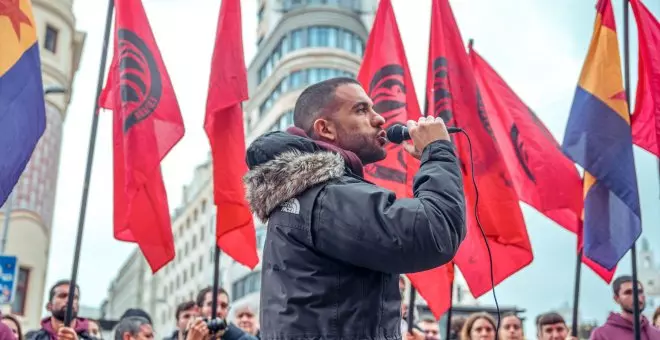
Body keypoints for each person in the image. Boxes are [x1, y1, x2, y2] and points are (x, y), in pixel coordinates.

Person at [243, 77, 466, 340]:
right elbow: (435, 231)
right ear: (325, 129)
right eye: (361, 110)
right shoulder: (327, 195)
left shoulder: (309, 193)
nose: (379, 119)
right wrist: (437, 151)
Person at [590, 275, 660, 339]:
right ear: (616, 298)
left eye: (639, 291)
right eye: (628, 292)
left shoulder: (656, 334)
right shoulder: (602, 334)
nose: (635, 296)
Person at [27, 280, 93, 340]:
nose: (69, 300)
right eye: (62, 296)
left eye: (74, 297)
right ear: (49, 306)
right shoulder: (31, 337)